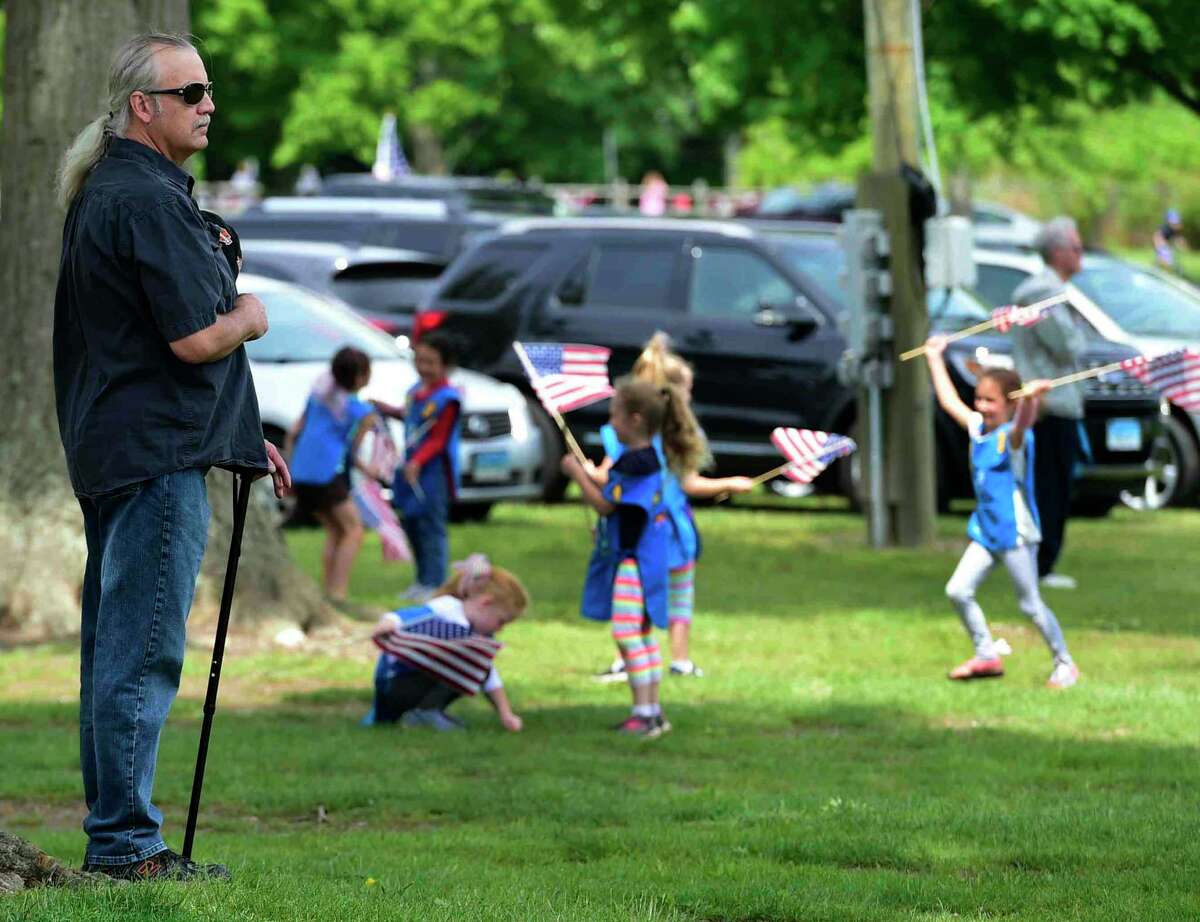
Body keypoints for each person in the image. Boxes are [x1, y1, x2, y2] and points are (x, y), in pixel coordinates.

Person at [53, 33, 291, 882]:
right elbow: (195, 341)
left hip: (133, 446)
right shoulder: (145, 200)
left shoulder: (119, 189)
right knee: (142, 650)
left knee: (118, 648)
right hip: (150, 460)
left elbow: (143, 350)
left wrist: (241, 434)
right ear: (142, 107)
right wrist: (253, 313)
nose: (208, 104)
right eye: (189, 92)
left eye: (209, 89)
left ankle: (118, 838)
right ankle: (125, 848)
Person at [590, 333, 753, 680]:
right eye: (688, 390)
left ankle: (630, 659)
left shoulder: (631, 435)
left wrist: (585, 473)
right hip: (674, 530)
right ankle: (678, 660)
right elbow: (690, 483)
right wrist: (730, 483)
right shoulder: (678, 437)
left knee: (638, 594)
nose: (690, 397)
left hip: (640, 530)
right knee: (679, 597)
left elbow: (607, 478)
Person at [924, 335, 1079, 689]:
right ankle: (986, 655)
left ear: (1008, 405)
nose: (981, 406)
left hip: (1016, 534)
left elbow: (1023, 424)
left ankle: (1065, 663)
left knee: (1029, 604)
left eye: (990, 401)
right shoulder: (978, 428)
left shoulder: (1014, 437)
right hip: (986, 531)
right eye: (979, 398)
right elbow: (949, 401)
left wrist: (1031, 399)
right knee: (957, 590)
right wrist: (934, 357)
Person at [561, 378, 674, 737]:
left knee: (627, 633)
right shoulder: (648, 459)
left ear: (636, 419)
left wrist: (577, 474)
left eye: (615, 416)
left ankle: (642, 714)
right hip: (646, 558)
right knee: (642, 633)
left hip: (633, 562)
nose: (610, 423)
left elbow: (608, 504)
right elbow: (626, 511)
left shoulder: (633, 462)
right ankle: (654, 712)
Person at [1009, 216, 1087, 590]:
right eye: (1076, 247)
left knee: (1057, 483)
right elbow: (1066, 344)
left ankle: (1045, 562)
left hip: (1061, 403)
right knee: (1047, 487)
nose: (1080, 253)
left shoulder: (1052, 290)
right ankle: (1040, 565)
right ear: (1057, 253)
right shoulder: (1040, 292)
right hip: (1047, 404)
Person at [365, 555, 527, 732]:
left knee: (476, 663)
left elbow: (487, 672)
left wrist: (506, 714)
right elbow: (409, 616)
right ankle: (424, 712)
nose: (500, 629)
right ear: (485, 602)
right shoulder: (448, 608)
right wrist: (388, 624)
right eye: (501, 621)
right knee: (469, 662)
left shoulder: (479, 637)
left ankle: (427, 711)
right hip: (397, 682)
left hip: (415, 683)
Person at [285, 347, 385, 607]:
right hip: (327, 474)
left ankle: (328, 592)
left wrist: (289, 467)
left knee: (335, 529)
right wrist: (369, 470)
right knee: (354, 530)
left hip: (302, 472)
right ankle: (338, 593)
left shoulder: (318, 394)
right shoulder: (360, 411)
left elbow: (295, 431)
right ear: (362, 376)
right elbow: (352, 451)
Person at [373, 331, 462, 600]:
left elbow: (438, 438)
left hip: (432, 472)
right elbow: (410, 418)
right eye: (419, 360)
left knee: (430, 527)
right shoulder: (415, 392)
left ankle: (436, 583)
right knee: (411, 524)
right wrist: (387, 410)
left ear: (445, 366)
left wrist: (418, 462)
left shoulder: (448, 398)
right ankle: (422, 580)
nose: (423, 368)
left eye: (430, 362)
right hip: (409, 468)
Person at [1153, 209, 1188, 273]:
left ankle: (1157, 268)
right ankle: (1159, 270)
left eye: (1177, 222)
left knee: (1167, 260)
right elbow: (1157, 236)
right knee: (1166, 260)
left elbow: (1178, 239)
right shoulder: (1165, 228)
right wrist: (1160, 246)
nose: (1177, 225)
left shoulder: (1174, 230)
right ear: (1169, 222)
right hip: (1162, 245)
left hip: (1165, 245)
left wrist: (1180, 244)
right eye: (1174, 222)